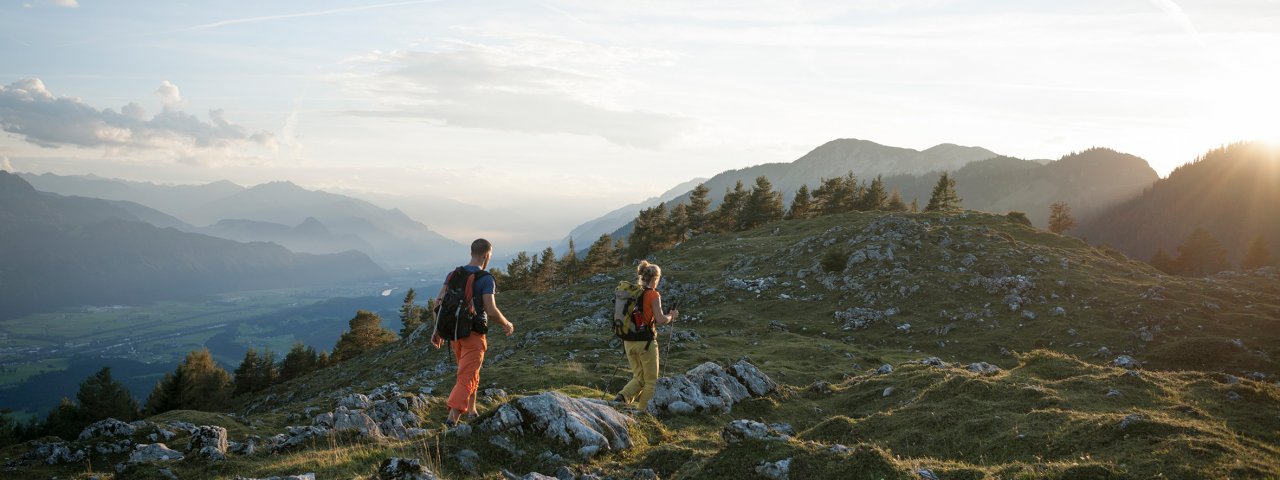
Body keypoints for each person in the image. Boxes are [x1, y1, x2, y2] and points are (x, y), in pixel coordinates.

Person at [432, 238, 515, 426]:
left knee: (469, 372)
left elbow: (438, 303)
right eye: (490, 256)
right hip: (473, 335)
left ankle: (472, 410)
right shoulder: (485, 279)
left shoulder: (453, 274)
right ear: (486, 255)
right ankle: (451, 420)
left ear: (472, 253)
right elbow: (491, 310)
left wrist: (436, 330)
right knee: (466, 376)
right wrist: (506, 323)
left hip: (454, 334)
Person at [615, 260, 678, 407]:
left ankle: (622, 398)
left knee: (639, 377)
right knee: (651, 382)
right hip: (645, 343)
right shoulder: (653, 295)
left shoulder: (633, 293)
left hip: (628, 341)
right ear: (655, 278)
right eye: (658, 278)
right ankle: (643, 414)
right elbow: (661, 320)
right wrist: (672, 316)